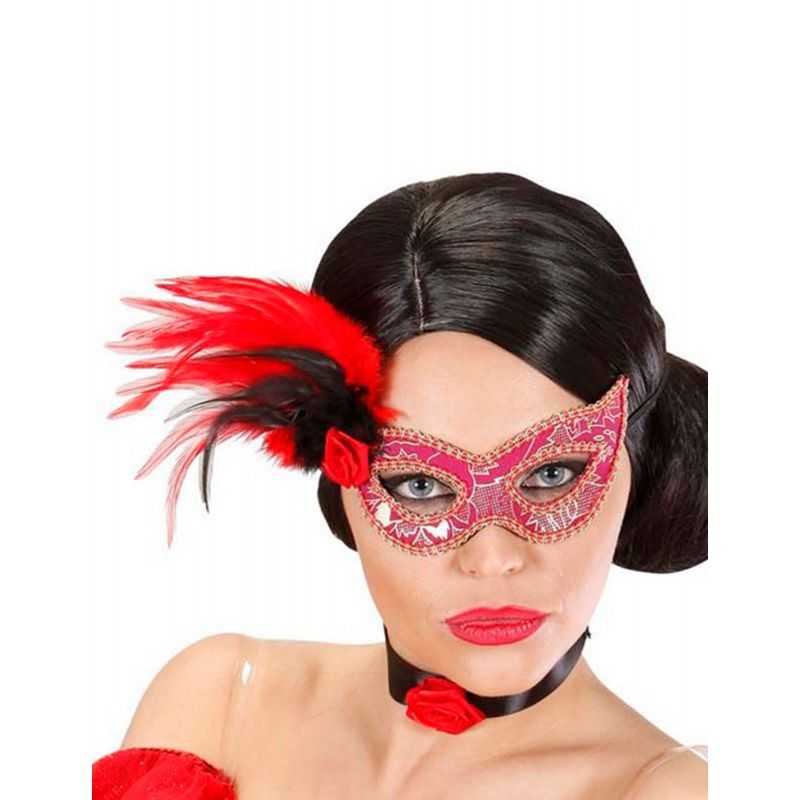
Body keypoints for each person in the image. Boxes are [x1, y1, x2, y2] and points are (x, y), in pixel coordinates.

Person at [92, 172, 708, 798]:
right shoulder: (222, 701)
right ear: (339, 478)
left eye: (552, 474)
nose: (492, 558)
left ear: (636, 461)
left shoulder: (668, 789)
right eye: (418, 485)